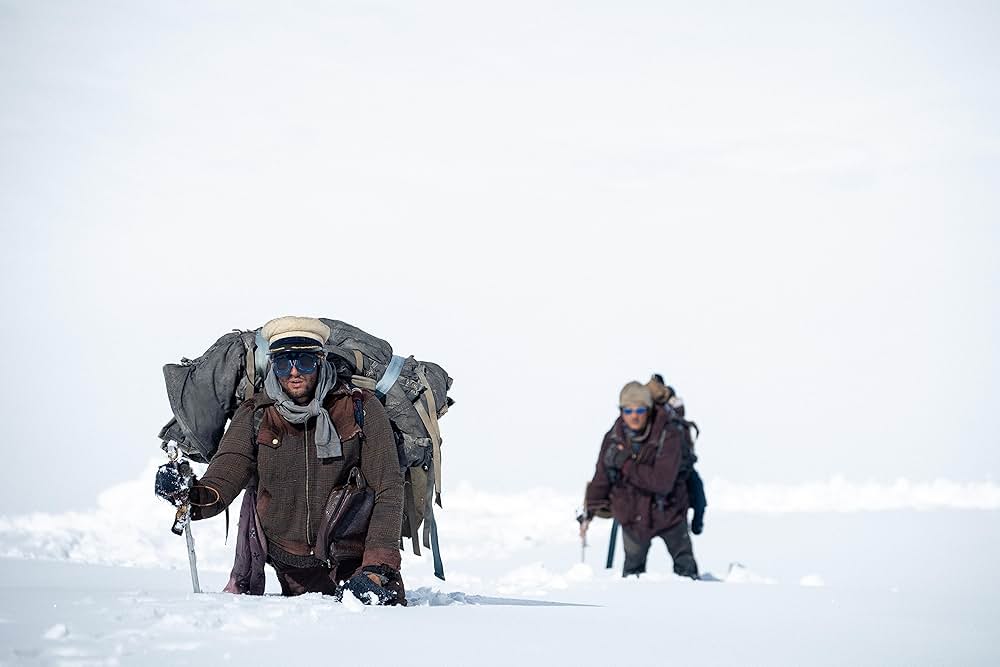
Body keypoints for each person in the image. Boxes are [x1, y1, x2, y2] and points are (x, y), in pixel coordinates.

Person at [184, 316, 406, 604]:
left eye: (304, 362)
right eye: (283, 362)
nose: (293, 372)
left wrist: (377, 567)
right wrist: (189, 495)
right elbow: (224, 475)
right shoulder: (256, 414)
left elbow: (388, 488)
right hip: (293, 568)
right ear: (273, 365)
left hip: (357, 562)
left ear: (321, 360)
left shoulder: (360, 407)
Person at [581, 381, 698, 579]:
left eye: (640, 410)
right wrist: (589, 512)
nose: (634, 416)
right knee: (632, 576)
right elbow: (601, 477)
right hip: (632, 515)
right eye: (628, 410)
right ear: (621, 411)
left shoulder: (669, 434)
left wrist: (625, 463)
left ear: (649, 410)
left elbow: (661, 482)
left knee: (686, 571)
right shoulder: (613, 438)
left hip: (669, 512)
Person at [646, 374, 707, 535]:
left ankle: (695, 523)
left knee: (698, 494)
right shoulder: (648, 411)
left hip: (681, 469)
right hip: (659, 470)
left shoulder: (673, 411)